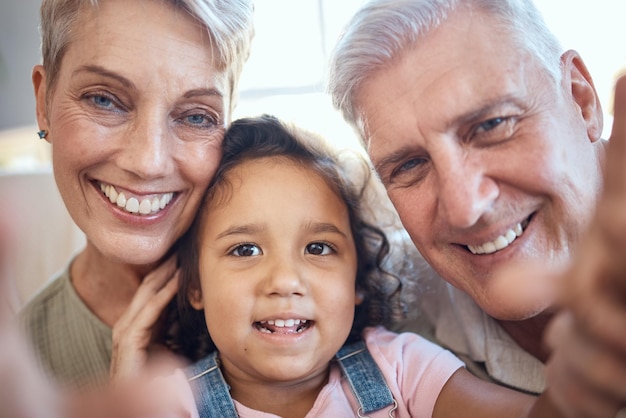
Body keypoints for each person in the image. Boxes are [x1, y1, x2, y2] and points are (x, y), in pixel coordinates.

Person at [152, 114, 565, 418]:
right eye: (245, 250)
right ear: (196, 286)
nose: (284, 281)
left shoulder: (401, 368)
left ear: (357, 279)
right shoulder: (168, 405)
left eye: (317, 247)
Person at [327, 0, 619, 400]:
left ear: (580, 99)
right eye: (411, 165)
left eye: (491, 126)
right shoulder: (386, 302)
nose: (465, 208)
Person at [19, 0, 254, 388]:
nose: (149, 162)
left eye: (197, 116)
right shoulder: (16, 373)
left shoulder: (314, 307)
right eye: (104, 100)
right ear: (43, 102)